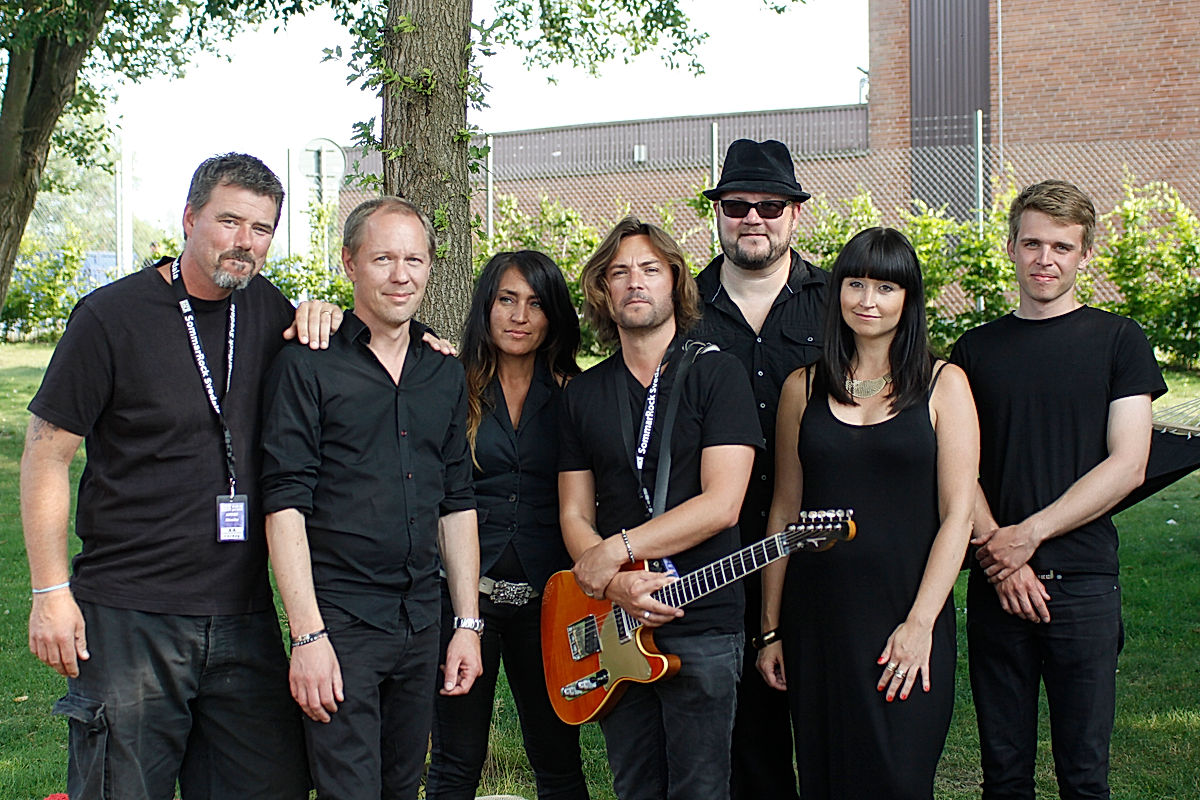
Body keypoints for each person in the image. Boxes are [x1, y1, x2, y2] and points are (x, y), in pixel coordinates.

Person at [20, 152, 344, 799]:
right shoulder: (111, 317)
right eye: (229, 221)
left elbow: (366, 360)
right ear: (190, 218)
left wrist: (340, 318)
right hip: (130, 616)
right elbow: (46, 455)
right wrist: (50, 592)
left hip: (243, 613)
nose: (244, 241)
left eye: (261, 228)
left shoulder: (270, 312)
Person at [260, 195, 483, 800]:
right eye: (383, 258)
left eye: (414, 259)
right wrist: (307, 637)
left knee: (402, 786)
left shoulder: (443, 371)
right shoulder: (307, 365)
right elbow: (284, 505)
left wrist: (466, 624)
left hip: (422, 620)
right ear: (349, 263)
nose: (400, 275)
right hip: (342, 623)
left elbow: (457, 501)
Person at [951, 180, 1166, 799]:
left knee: (1084, 777)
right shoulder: (974, 351)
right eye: (1033, 244)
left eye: (1062, 247)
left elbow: (1128, 464)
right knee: (1004, 777)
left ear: (1085, 254)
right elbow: (959, 469)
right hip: (997, 585)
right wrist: (1002, 557)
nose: (1045, 259)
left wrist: (1029, 535)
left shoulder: (1119, 340)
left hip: (1085, 585)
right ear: (1011, 247)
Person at [758, 227, 979, 798]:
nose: (867, 300)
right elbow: (784, 512)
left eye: (885, 287)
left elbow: (958, 515)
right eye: (855, 284)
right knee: (824, 780)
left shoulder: (944, 385)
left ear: (909, 298)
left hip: (904, 616)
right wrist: (771, 629)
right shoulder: (802, 387)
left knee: (899, 781)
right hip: (817, 622)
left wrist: (920, 624)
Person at [558, 216, 762, 800]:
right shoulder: (584, 393)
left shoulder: (718, 373)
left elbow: (722, 504)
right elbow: (574, 513)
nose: (635, 282)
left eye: (650, 269)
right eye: (619, 272)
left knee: (701, 788)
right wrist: (613, 582)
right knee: (635, 786)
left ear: (674, 280)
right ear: (603, 290)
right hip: (618, 621)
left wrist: (617, 551)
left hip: (703, 617)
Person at [691, 138, 829, 800]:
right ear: (717, 212)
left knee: (834, 725)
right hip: (717, 550)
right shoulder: (681, 306)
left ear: (795, 214)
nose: (753, 218)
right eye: (737, 205)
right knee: (748, 741)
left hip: (823, 540)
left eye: (770, 206)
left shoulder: (838, 301)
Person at [425, 251, 588, 800]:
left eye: (535, 303)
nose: (520, 316)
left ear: (553, 314)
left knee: (559, 758)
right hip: (467, 597)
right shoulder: (450, 384)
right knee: (456, 761)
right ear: (486, 308)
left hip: (551, 600)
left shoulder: (574, 393)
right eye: (507, 300)